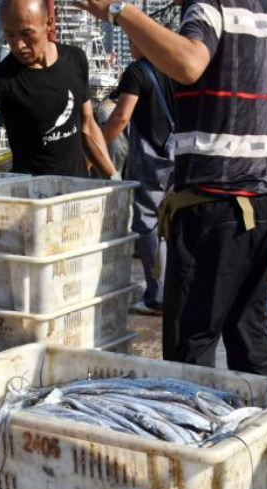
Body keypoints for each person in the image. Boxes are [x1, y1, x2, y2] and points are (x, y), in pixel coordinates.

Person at [77, 0, 267, 376]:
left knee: (189, 350)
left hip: (214, 207)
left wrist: (118, 11)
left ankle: (194, 432)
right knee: (250, 341)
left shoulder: (207, 6)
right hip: (263, 203)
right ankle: (259, 428)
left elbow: (190, 63)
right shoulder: (265, 15)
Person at [0, 0, 119, 185]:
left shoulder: (76, 59)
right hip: (31, 196)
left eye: (26, 33)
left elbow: (88, 125)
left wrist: (113, 176)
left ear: (49, 24)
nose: (18, 45)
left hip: (78, 190)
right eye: (10, 35)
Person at [102, 36, 175, 312]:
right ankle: (174, 290)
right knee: (173, 222)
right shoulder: (173, 68)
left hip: (151, 157)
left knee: (148, 223)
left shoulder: (136, 71)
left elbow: (121, 117)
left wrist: (95, 146)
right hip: (179, 152)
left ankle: (157, 296)